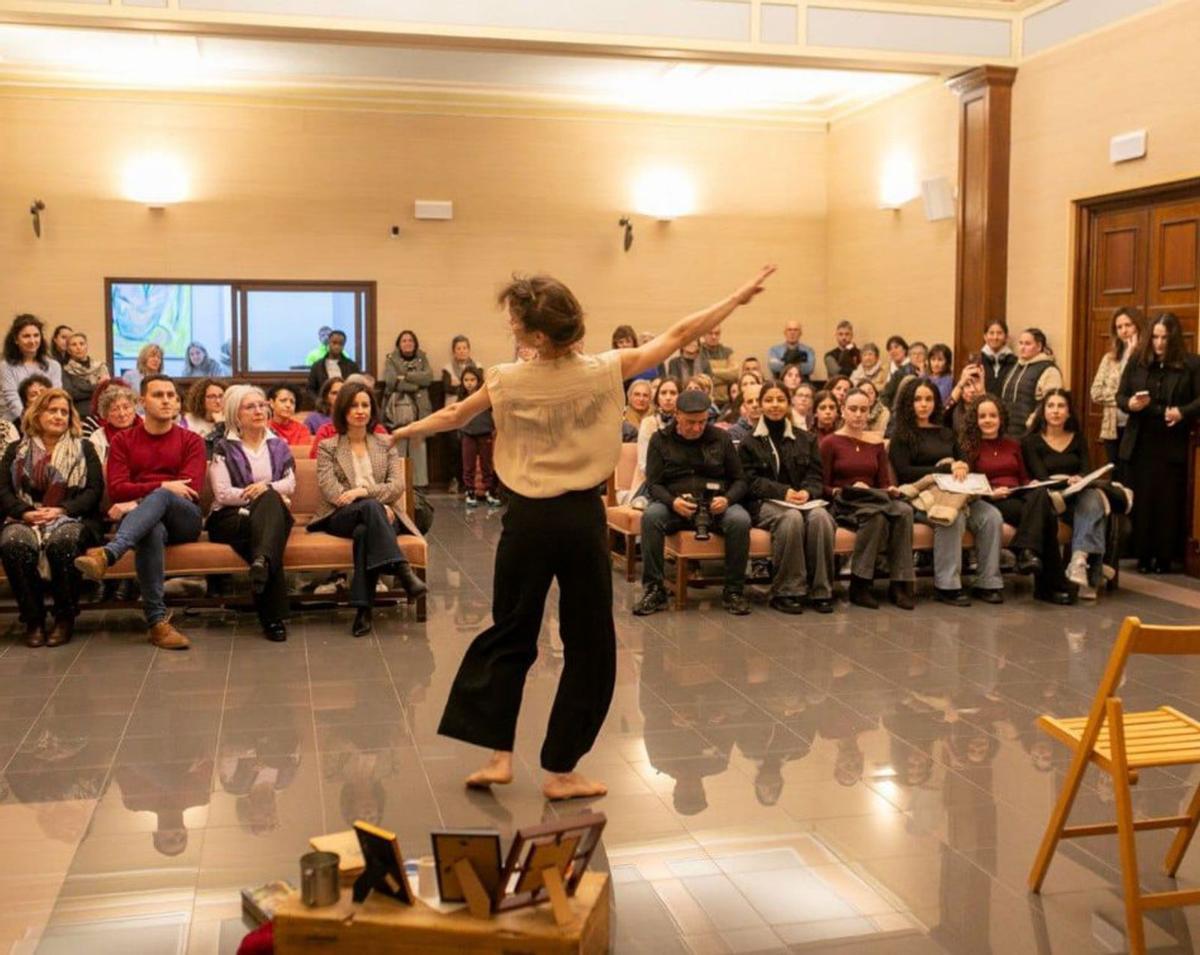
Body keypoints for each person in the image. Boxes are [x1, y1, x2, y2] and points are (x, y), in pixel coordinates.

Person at [390, 266, 775, 799]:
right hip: (578, 518)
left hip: (526, 520)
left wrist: (408, 430)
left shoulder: (505, 378)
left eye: (516, 320)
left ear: (538, 335)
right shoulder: (605, 370)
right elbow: (679, 335)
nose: (510, 326)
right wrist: (733, 296)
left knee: (511, 633)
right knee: (589, 642)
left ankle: (501, 755)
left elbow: (456, 415)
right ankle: (561, 768)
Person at [74, 374, 207, 649]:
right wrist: (163, 484)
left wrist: (153, 490)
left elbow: (190, 488)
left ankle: (110, 552)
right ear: (142, 401)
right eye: (159, 395)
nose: (167, 400)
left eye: (172, 395)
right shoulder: (123, 441)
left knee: (162, 495)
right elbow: (118, 489)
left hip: (185, 519)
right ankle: (157, 623)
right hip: (147, 521)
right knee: (152, 527)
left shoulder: (192, 440)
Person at [310, 381, 426, 636]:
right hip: (341, 516)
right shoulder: (329, 446)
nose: (360, 411)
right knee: (369, 511)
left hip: (385, 514)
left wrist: (365, 493)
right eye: (354, 406)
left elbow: (396, 486)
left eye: (365, 405)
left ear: (372, 410)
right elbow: (332, 491)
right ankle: (402, 571)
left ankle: (363, 610)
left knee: (365, 532)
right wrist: (370, 501)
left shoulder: (386, 444)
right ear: (343, 411)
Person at [634, 387, 753, 616]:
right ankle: (654, 589)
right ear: (677, 415)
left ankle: (734, 591)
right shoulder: (661, 439)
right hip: (676, 505)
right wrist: (672, 502)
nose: (697, 428)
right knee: (651, 517)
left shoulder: (721, 437)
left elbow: (740, 480)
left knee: (740, 519)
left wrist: (727, 500)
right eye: (690, 422)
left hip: (715, 503)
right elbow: (654, 483)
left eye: (702, 421)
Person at [0, 388, 103, 647]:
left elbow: (94, 490)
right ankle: (33, 620)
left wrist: (62, 510)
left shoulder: (84, 448)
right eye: (52, 410)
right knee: (14, 542)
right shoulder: (16, 450)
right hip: (25, 517)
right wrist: (24, 512)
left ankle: (64, 618)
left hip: (72, 517)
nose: (59, 416)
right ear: (37, 414)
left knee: (64, 540)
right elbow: (3, 490)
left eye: (64, 412)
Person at [888, 378, 1004, 606]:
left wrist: (961, 466)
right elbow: (904, 473)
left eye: (929, 399)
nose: (924, 404)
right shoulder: (901, 435)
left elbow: (962, 462)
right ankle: (947, 586)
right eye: (918, 399)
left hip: (956, 492)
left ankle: (988, 582)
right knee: (951, 517)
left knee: (991, 517)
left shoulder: (947, 433)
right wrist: (942, 468)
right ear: (908, 404)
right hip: (922, 495)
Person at [956, 395, 1073, 604]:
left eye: (993, 415)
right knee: (1046, 517)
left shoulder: (1013, 445)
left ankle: (1027, 552)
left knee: (1039, 495)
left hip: (1018, 494)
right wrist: (990, 492)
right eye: (982, 416)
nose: (988, 420)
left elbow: (1023, 476)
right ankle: (1051, 584)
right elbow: (969, 484)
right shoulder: (968, 447)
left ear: (1001, 418)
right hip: (991, 499)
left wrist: (1030, 483)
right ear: (975, 420)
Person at [207, 385, 297, 641]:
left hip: (266, 517)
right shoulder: (223, 447)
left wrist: (265, 490)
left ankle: (262, 564)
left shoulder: (279, 445)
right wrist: (260, 492)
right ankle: (273, 614)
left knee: (268, 509)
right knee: (269, 507)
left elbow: (291, 484)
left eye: (261, 405)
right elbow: (223, 493)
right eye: (250, 407)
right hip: (229, 518)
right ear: (237, 415)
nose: (259, 410)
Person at [740, 381, 836, 614]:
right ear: (761, 405)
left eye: (780, 400)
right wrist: (782, 492)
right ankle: (787, 590)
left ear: (788, 403)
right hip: (765, 504)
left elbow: (815, 477)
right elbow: (749, 482)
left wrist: (807, 492)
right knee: (791, 518)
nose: (775, 405)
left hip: (804, 501)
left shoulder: (807, 439)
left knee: (821, 517)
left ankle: (821, 590)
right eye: (769, 400)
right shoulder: (749, 442)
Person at [1118, 312, 1200, 574]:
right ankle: (1142, 555)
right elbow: (1121, 395)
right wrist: (1130, 404)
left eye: (1165, 337)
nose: (1159, 343)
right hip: (1142, 439)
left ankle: (1164, 557)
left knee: (1168, 500)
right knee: (1143, 499)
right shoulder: (1138, 361)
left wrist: (1182, 412)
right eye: (1155, 337)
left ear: (1174, 338)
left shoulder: (1192, 364)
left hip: (1173, 440)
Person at [822, 388, 915, 610]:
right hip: (844, 500)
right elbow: (822, 485)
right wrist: (842, 489)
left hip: (874, 498)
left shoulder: (875, 443)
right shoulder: (830, 443)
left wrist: (889, 489)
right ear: (843, 411)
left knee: (905, 511)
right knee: (876, 516)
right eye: (853, 409)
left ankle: (899, 583)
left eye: (863, 410)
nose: (858, 414)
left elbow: (882, 482)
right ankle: (860, 584)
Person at [1023, 390, 1109, 600]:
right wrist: (1066, 479)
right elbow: (1040, 476)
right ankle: (1091, 577)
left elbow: (1086, 470)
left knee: (1093, 497)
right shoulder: (1031, 441)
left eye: (1061, 406)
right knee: (1096, 512)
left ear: (1069, 412)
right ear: (1043, 412)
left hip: (1077, 495)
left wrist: (1079, 478)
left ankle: (1079, 560)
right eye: (1051, 406)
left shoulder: (1078, 439)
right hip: (1051, 499)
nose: (1055, 411)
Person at [1090, 307, 1142, 470]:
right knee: (1116, 473)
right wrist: (1123, 400)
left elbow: (1140, 389)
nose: (1124, 330)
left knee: (1134, 473)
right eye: (1119, 327)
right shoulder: (1109, 358)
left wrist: (1133, 355)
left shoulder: (1145, 357)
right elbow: (1096, 393)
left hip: (1137, 426)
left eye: (1128, 325)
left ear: (1138, 326)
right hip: (1111, 427)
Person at [383, 330, 433, 488]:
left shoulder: (422, 357)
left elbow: (428, 378)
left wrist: (405, 376)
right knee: (400, 446)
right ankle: (399, 484)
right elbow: (391, 381)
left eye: (410, 340)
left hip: (420, 410)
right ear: (399, 344)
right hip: (399, 410)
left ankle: (419, 485)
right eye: (404, 340)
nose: (407, 343)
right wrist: (416, 384)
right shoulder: (391, 359)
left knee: (418, 445)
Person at [625, 377, 679, 506]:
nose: (668, 397)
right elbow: (644, 465)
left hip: (681, 482)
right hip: (651, 481)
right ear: (657, 398)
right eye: (663, 393)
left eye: (673, 393)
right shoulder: (649, 423)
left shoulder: (686, 422)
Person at [999, 328, 1063, 435]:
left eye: (1027, 344)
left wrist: (1032, 422)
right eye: (1021, 343)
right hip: (1007, 430)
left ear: (1039, 346)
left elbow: (1051, 402)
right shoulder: (1015, 367)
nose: (1022, 348)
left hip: (1030, 432)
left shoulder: (1049, 370)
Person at [1, 314, 63, 422]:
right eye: (26, 336)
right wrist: (31, 422)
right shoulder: (6, 366)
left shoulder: (54, 366)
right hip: (17, 421)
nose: (32, 341)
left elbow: (56, 397)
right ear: (16, 339)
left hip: (48, 421)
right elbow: (12, 399)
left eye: (36, 335)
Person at [458, 366, 499, 507]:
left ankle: (489, 491)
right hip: (467, 433)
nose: (469, 383)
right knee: (468, 464)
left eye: (472, 379)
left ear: (478, 380)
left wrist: (494, 428)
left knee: (486, 464)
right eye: (466, 380)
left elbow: (494, 412)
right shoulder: (461, 397)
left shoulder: (485, 395)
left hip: (485, 432)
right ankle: (470, 491)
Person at [441, 335, 473, 491]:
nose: (462, 351)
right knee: (453, 447)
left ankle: (468, 482)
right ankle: (453, 479)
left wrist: (458, 385)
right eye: (458, 348)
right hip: (452, 412)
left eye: (464, 348)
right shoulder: (447, 368)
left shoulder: (477, 366)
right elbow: (447, 388)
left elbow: (477, 387)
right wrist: (464, 386)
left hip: (471, 413)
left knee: (468, 448)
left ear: (469, 350)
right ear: (454, 351)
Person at [87, 380, 139, 465]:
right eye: (115, 409)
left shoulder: (148, 429)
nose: (122, 414)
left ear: (134, 408)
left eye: (126, 407)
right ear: (106, 415)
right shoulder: (98, 437)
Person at [60, 331, 109, 420]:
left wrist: (83, 388)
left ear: (86, 346)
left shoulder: (100, 367)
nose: (78, 347)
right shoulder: (66, 370)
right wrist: (97, 386)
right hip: (79, 415)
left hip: (102, 414)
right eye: (74, 345)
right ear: (68, 350)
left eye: (81, 344)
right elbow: (71, 394)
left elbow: (107, 391)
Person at [305, 330, 358, 402]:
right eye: (334, 343)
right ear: (328, 343)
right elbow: (310, 389)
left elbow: (357, 387)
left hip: (345, 404)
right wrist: (318, 401)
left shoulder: (352, 366)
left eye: (340, 344)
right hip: (323, 405)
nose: (337, 346)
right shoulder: (318, 366)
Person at [700, 325, 737, 406]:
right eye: (710, 333)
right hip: (705, 401)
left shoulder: (728, 351)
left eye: (717, 333)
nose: (714, 337)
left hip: (726, 401)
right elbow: (701, 379)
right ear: (703, 334)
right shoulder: (698, 352)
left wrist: (710, 371)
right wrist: (725, 376)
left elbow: (734, 375)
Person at [980, 319, 1016, 396]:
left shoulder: (1015, 361)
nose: (995, 337)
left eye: (999, 333)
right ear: (985, 337)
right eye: (991, 333)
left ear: (1006, 337)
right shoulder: (977, 360)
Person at [725, 382, 762, 446]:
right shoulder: (734, 432)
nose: (755, 405)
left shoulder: (774, 427)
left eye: (758, 400)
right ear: (744, 406)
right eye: (750, 402)